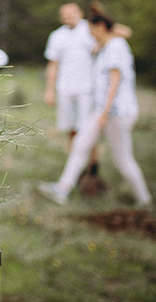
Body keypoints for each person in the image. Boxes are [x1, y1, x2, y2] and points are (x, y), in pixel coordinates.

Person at [38, 11, 151, 209]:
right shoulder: (106, 46)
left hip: (116, 113)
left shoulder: (116, 47)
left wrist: (105, 113)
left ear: (100, 28)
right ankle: (62, 190)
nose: (90, 34)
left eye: (91, 30)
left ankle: (144, 199)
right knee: (80, 144)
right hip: (102, 111)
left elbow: (115, 81)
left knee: (123, 160)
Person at [43, 3, 100, 180]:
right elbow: (53, 64)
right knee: (71, 129)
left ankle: (93, 168)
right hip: (65, 88)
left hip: (87, 88)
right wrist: (49, 90)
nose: (69, 17)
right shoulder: (57, 36)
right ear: (61, 17)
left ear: (80, 13)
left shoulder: (90, 29)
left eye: (72, 13)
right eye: (65, 14)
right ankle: (76, 168)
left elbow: (111, 37)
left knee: (88, 130)